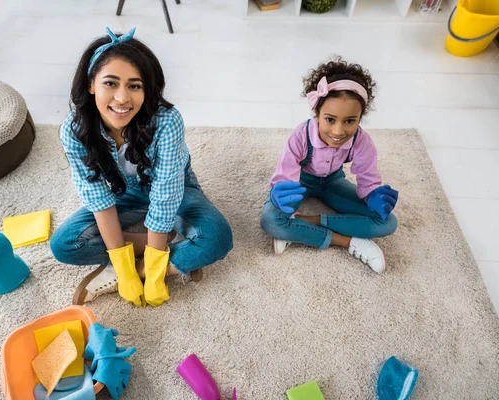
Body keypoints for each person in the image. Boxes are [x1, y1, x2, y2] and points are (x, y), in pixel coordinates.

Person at [51, 28, 233, 307]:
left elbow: (166, 193)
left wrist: (154, 265)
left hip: (175, 188)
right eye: (110, 83)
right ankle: (170, 247)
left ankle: (147, 267)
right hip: (121, 193)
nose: (122, 98)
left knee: (218, 238)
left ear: (146, 89)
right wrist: (121, 263)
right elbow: (98, 198)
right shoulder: (74, 131)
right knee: (64, 245)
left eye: (134, 86)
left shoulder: (167, 121)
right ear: (91, 85)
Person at [260, 57, 398, 273]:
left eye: (350, 121)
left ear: (360, 118)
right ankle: (348, 241)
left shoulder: (362, 142)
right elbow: (285, 174)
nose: (338, 131)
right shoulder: (300, 135)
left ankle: (306, 222)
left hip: (333, 182)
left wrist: (372, 195)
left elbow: (368, 179)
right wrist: (279, 191)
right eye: (330, 119)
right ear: (317, 114)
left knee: (387, 222)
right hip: (300, 182)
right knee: (271, 220)